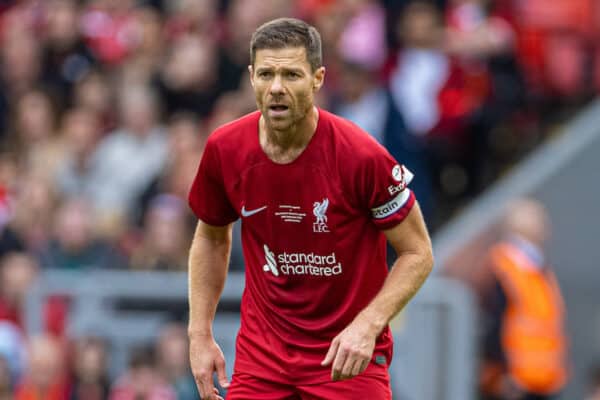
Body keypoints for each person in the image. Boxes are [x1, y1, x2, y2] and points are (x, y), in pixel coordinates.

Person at [187, 17, 434, 400]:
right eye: (266, 74)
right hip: (262, 357)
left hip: (345, 358)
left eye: (291, 75)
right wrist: (200, 334)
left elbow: (418, 252)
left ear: (318, 79)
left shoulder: (362, 156)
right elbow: (211, 239)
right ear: (251, 76)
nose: (277, 88)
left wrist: (368, 325)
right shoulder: (225, 149)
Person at [480, 198, 568, 400]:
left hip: (542, 381)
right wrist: (501, 373)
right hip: (514, 384)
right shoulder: (504, 266)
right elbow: (493, 323)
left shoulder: (536, 267)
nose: (546, 225)